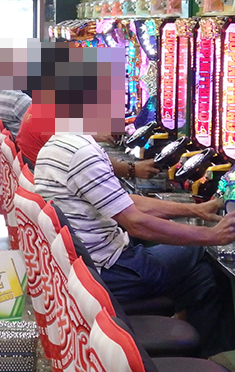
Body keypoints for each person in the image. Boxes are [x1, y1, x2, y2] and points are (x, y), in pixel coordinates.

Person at [33, 135, 235, 358]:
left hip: (82, 268)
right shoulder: (82, 154)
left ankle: (195, 356)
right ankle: (210, 355)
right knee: (199, 253)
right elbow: (135, 223)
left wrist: (195, 210)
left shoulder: (59, 143)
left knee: (203, 276)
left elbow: (124, 202)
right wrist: (212, 235)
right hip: (106, 272)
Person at [17, 104, 161, 179]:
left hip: (42, 174)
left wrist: (94, 133)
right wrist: (133, 169)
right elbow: (89, 162)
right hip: (54, 183)